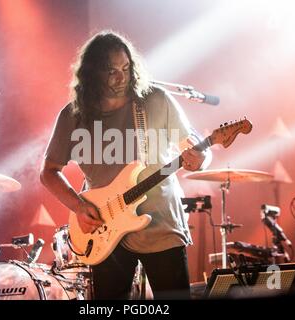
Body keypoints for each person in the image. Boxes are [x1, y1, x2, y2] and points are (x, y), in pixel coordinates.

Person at [40, 30, 211, 300]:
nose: (122, 78)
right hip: (106, 232)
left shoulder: (156, 100)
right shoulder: (74, 115)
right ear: (92, 74)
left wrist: (200, 160)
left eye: (126, 68)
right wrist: (79, 206)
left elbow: (194, 148)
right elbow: (48, 172)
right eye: (111, 71)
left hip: (163, 227)